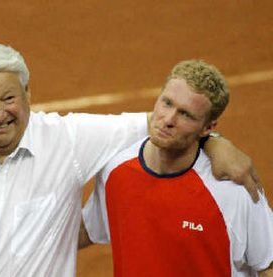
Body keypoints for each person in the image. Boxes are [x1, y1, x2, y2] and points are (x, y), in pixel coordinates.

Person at [0, 12, 263, 277]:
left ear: (29, 94)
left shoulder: (69, 140)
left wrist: (214, 141)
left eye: (9, 99)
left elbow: (165, 124)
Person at [81, 60, 273, 276]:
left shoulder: (234, 191)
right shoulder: (115, 170)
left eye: (186, 114)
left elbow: (268, 266)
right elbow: (88, 229)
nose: (168, 120)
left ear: (208, 128)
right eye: (167, 103)